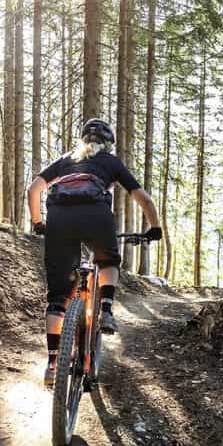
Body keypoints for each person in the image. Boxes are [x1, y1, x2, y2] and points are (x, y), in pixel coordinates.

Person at [26, 118, 162, 387]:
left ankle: (53, 363)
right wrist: (155, 227)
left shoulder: (66, 159)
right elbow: (143, 198)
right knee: (108, 259)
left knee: (57, 298)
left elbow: (33, 189)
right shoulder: (110, 162)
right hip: (96, 217)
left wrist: (38, 222)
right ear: (107, 144)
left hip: (59, 218)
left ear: (82, 140)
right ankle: (107, 309)